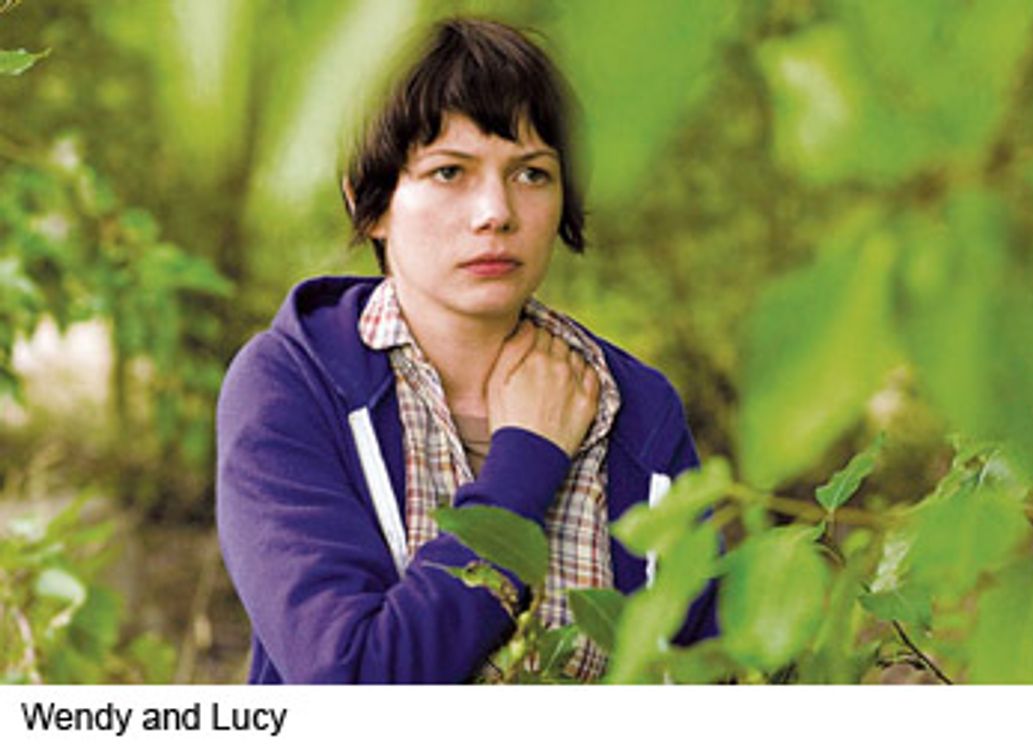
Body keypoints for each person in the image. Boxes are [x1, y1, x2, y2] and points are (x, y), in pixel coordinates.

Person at [215, 17, 716, 683]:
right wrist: (525, 461)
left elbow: (708, 677)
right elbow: (350, 682)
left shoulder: (637, 410)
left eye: (532, 174)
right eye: (449, 171)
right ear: (371, 204)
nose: (495, 212)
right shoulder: (294, 386)